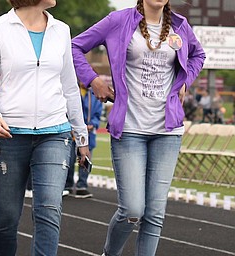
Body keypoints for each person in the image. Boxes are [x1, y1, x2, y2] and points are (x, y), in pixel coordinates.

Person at [71, 0, 205, 255]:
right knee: (132, 210)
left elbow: (198, 55)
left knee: (154, 214)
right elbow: (74, 46)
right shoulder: (118, 21)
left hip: (168, 131)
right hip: (130, 129)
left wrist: (185, 79)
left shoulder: (180, 25)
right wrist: (93, 80)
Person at [0, 0, 90, 255]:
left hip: (55, 134)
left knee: (49, 210)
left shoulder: (61, 30)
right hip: (8, 136)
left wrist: (81, 138)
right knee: (7, 217)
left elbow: (70, 87)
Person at [65, 82, 103, 198]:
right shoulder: (72, 91)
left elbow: (97, 114)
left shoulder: (94, 95)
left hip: (88, 133)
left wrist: (93, 124)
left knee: (85, 159)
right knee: (69, 160)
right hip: (71, 132)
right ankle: (68, 185)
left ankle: (82, 185)